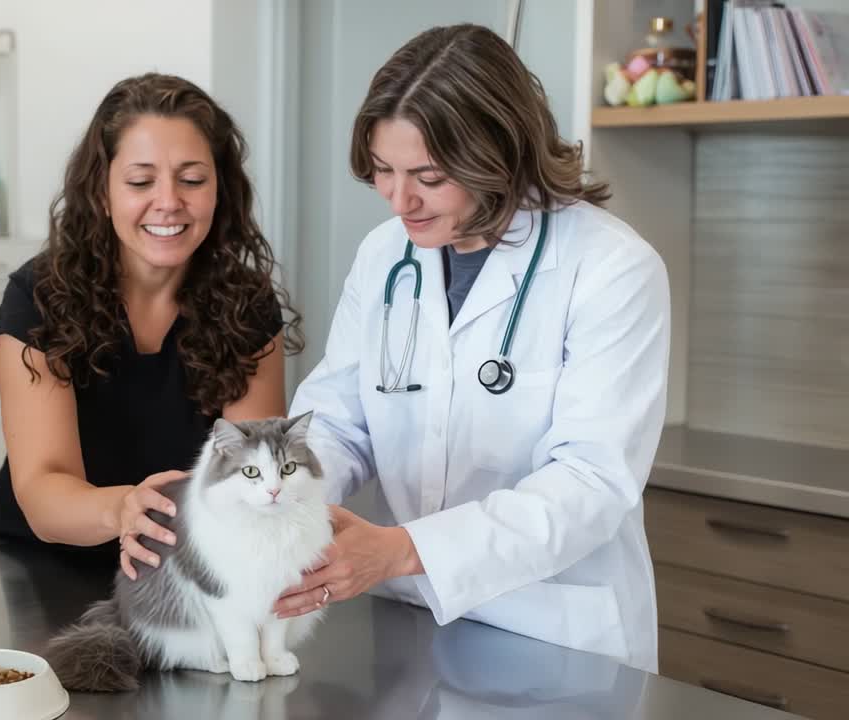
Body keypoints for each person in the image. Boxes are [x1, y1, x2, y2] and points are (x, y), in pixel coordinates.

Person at [274, 24, 670, 674]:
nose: (399, 199)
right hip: (415, 622)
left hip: (555, 635)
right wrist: (286, 508)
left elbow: (590, 482)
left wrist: (405, 549)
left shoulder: (611, 268)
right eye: (382, 170)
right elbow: (340, 422)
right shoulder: (384, 256)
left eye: (428, 176)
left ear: (499, 154)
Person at [0, 73, 302, 579]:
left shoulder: (246, 304)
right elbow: (43, 489)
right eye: (141, 181)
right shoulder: (40, 297)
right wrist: (126, 508)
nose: (168, 202)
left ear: (221, 191)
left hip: (183, 568)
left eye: (192, 179)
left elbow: (253, 479)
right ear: (102, 193)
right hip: (35, 565)